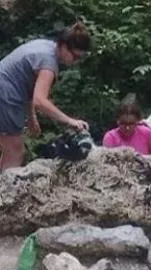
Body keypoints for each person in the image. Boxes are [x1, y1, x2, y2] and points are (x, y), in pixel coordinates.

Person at [0, 21, 91, 170]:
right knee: (15, 151)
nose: (75, 62)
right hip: (6, 95)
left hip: (8, 91)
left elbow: (27, 86)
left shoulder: (46, 46)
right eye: (74, 57)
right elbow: (40, 101)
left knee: (9, 148)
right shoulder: (48, 63)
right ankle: (5, 191)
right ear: (63, 46)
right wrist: (69, 121)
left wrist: (31, 118)